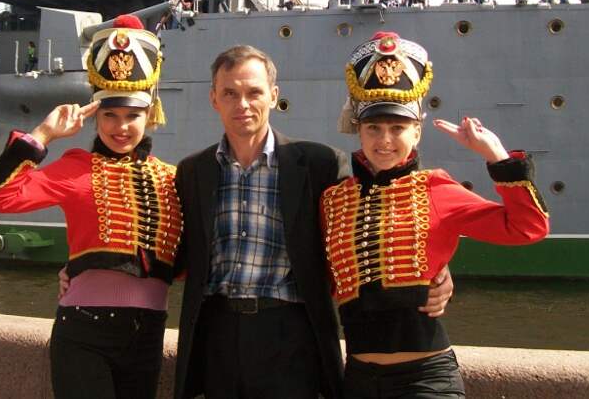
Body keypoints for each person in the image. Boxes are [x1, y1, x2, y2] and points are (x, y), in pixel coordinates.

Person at [171, 45, 453, 399]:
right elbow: (175, 249)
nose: (242, 104)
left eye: (254, 92)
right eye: (229, 93)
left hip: (290, 336)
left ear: (273, 95)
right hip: (217, 335)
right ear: (214, 98)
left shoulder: (320, 164)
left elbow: (378, 212)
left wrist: (436, 267)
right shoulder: (192, 171)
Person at [324, 32, 550, 399]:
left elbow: (527, 227)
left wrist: (496, 156)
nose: (384, 140)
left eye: (398, 128)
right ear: (358, 130)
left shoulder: (435, 189)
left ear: (417, 131)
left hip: (426, 381)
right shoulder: (335, 200)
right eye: (373, 128)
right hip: (358, 381)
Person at [0, 15, 179, 399]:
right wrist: (44, 133)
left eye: (132, 115)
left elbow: (182, 261)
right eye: (109, 115)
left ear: (150, 114)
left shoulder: (171, 178)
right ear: (94, 116)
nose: (121, 127)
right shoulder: (75, 168)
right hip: (84, 331)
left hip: (148, 335)